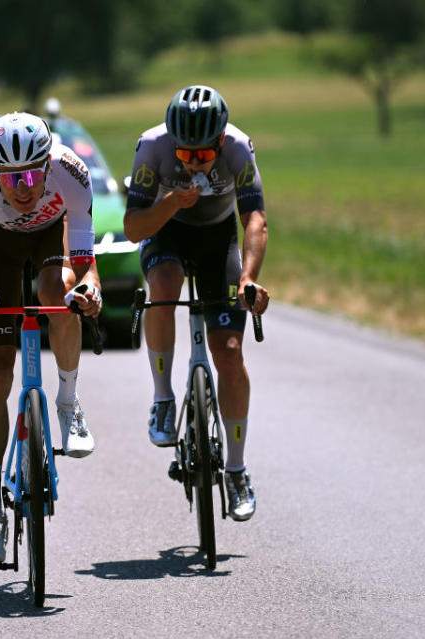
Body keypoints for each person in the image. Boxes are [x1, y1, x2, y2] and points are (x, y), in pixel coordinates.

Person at [0, 111, 103, 563]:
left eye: (31, 175)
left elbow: (85, 260)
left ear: (47, 165)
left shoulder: (72, 173)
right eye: (11, 177)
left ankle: (68, 401)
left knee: (57, 291)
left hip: (50, 236)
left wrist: (91, 290)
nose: (22, 187)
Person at [123, 85, 269, 522]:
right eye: (184, 155)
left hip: (217, 238)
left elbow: (255, 220)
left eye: (203, 155)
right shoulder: (152, 147)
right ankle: (164, 398)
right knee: (164, 285)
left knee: (229, 352)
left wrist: (248, 279)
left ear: (221, 141)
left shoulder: (239, 148)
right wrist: (169, 203)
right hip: (165, 228)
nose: (192, 162)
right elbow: (133, 227)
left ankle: (237, 471)